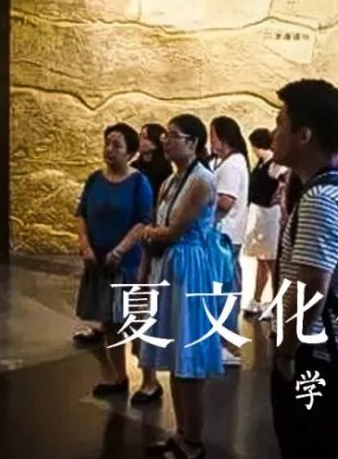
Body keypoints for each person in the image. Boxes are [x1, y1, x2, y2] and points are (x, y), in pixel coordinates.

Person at [269, 79, 338, 459]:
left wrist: (285, 350)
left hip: (318, 358)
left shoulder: (321, 199)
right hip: (334, 355)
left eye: (281, 122)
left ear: (304, 134)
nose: (274, 133)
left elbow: (311, 286)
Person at [138, 114, 223, 459]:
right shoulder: (171, 181)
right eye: (166, 135)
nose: (166, 141)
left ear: (193, 143)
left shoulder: (201, 179)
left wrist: (147, 233)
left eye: (174, 135)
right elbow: (160, 226)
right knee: (176, 356)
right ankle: (182, 431)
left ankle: (194, 440)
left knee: (189, 357)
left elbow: (173, 229)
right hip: (169, 266)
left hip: (189, 268)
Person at [75, 123, 153, 397]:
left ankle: (149, 381)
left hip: (127, 264)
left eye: (117, 145)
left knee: (135, 321)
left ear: (130, 152)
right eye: (107, 143)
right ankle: (119, 376)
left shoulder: (139, 182)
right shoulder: (94, 179)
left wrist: (119, 251)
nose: (110, 149)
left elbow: (143, 222)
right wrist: (85, 246)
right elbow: (82, 215)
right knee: (109, 321)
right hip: (98, 262)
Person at [129, 122, 174, 406]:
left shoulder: (166, 176)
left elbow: (162, 221)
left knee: (145, 313)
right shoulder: (137, 170)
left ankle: (150, 379)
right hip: (141, 244)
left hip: (150, 247)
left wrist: (150, 235)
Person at [209, 116, 250, 366]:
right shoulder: (228, 162)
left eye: (212, 135)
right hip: (226, 234)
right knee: (225, 288)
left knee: (224, 290)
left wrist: (200, 201)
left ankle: (227, 344)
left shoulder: (232, 165)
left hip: (225, 234)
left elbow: (225, 201)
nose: (210, 141)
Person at [242, 128, 286, 315]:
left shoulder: (275, 165)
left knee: (272, 262)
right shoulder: (262, 163)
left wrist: (278, 197)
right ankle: (257, 298)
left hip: (271, 216)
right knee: (261, 260)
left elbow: (282, 185)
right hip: (260, 214)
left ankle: (277, 302)